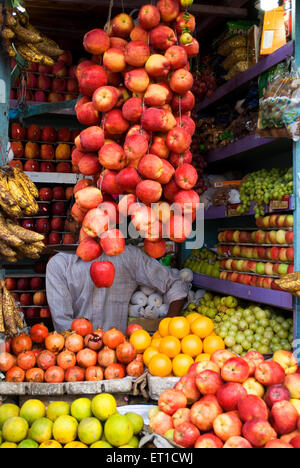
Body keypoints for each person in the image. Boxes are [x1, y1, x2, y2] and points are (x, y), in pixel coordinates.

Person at [46, 244, 188, 333]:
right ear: (68, 223)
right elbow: (62, 324)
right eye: (73, 218)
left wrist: (168, 329)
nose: (80, 223)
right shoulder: (59, 265)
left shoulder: (129, 257)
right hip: (77, 358)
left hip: (120, 354)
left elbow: (176, 284)